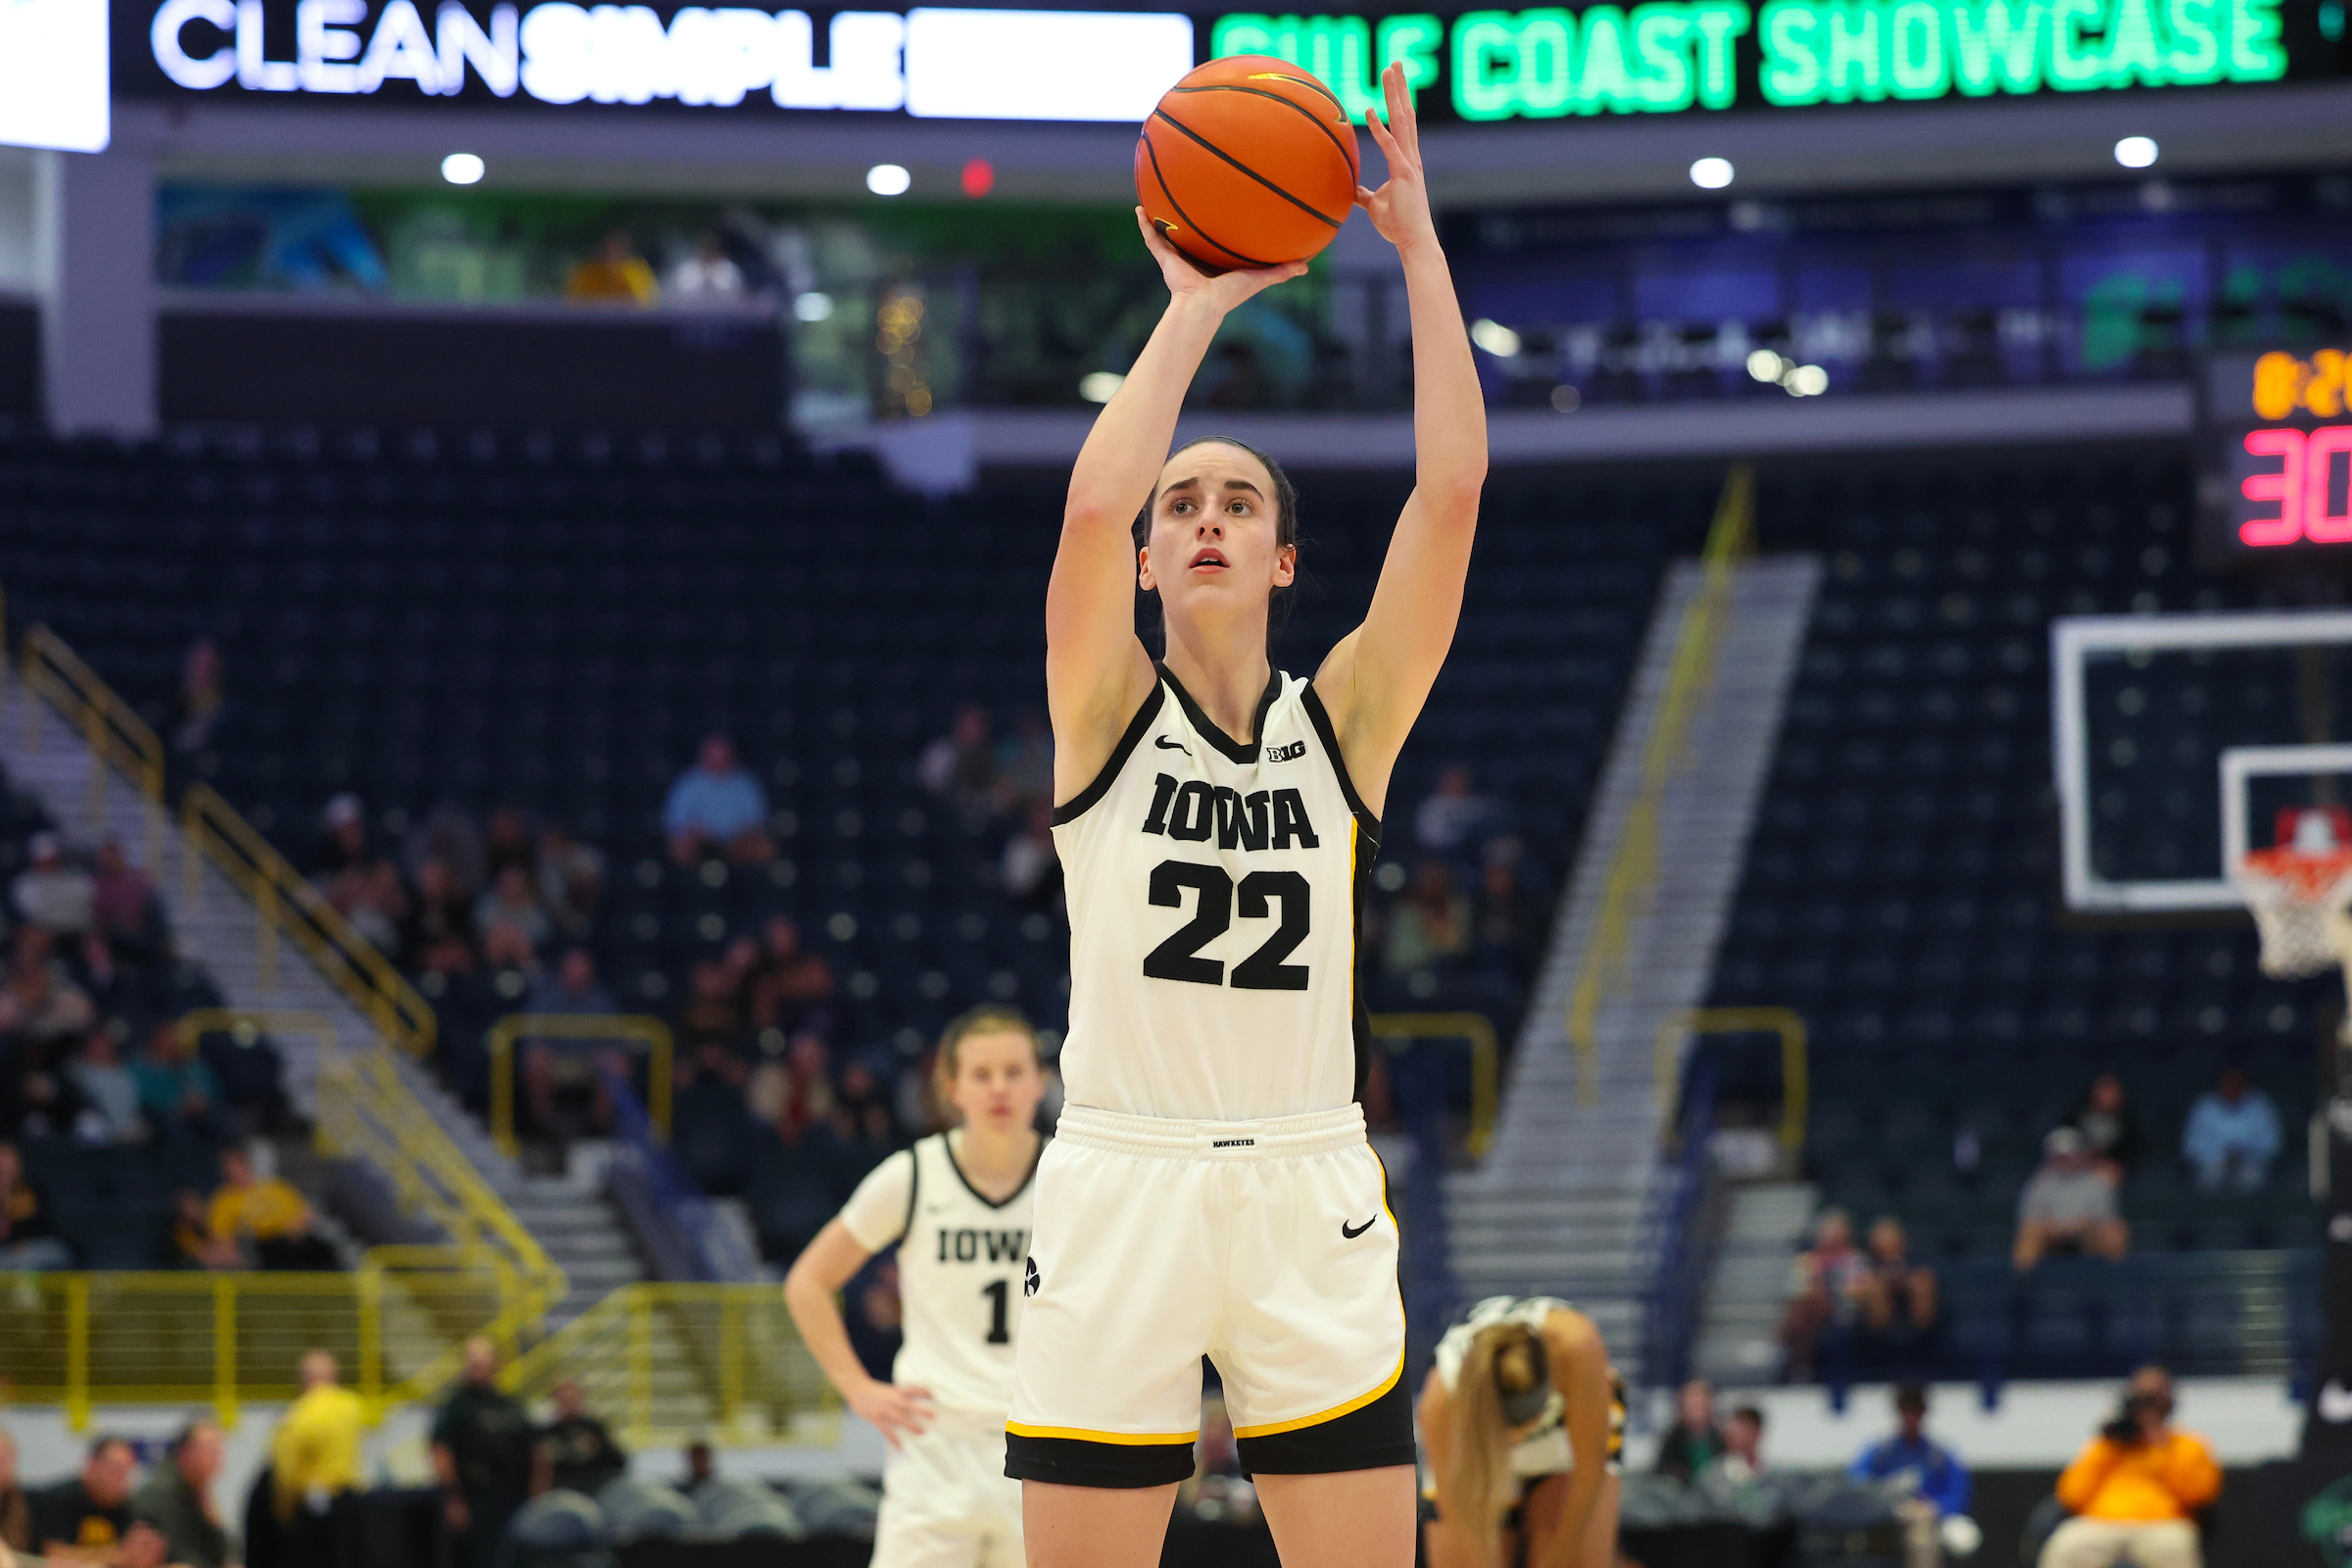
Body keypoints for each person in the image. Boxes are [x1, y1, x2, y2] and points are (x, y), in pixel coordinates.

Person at [1007, 63, 1482, 1568]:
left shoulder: (1342, 726)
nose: (1203, 515)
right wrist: (1196, 303)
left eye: (1241, 504)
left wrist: (1416, 251)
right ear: (1150, 562)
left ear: (1284, 560)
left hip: (1306, 1181)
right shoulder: (1102, 712)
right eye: (1183, 506)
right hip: (1120, 1172)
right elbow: (1087, 510)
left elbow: (1452, 496)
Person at [784, 1006, 1048, 1568]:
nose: (999, 1087)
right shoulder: (914, 1174)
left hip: (1041, 1446)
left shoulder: (1069, 1179)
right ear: (951, 1087)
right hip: (935, 1444)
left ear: (1040, 1081)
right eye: (982, 1074)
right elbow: (807, 1282)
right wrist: (857, 1388)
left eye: (1013, 1070)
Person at [1415, 1297, 1622, 1568]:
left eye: (1525, 1429)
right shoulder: (1441, 1404)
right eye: (1508, 1436)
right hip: (1474, 1450)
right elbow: (1462, 1519)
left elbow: (1588, 1476)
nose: (1518, 1443)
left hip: (1563, 1438)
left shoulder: (1578, 1348)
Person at [2039, 1367, 2220, 1568]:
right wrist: (2110, 1445)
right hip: (2102, 1524)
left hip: (2163, 1525)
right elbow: (2071, 1495)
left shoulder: (2188, 1445)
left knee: (2175, 1548)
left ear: (2168, 1402)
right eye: (2140, 1398)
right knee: (2067, 1545)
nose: (2146, 1407)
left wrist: (2161, 1446)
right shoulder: (2107, 1445)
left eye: (2152, 1399)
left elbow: (2199, 1495)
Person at [432, 1337, 535, 1568]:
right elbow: (440, 1451)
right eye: (473, 1363)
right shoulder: (456, 1406)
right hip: (475, 1498)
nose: (477, 1369)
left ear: (495, 1365)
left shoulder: (510, 1404)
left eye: (483, 1362)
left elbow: (534, 1449)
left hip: (513, 1497)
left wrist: (536, 1493)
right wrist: (453, 1497)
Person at [272, 1350, 366, 1568]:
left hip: (311, 1503)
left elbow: (285, 1468)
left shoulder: (299, 1415)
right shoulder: (352, 1406)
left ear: (303, 1379)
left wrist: (285, 1509)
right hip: (348, 1498)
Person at [2016, 1128, 2131, 1270]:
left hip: (2087, 1234)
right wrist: (2058, 1228)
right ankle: (2022, 1281)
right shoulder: (2039, 1184)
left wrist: (2079, 1225)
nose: (2064, 1160)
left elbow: (2105, 1218)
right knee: (2029, 1233)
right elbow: (2030, 1219)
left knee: (2115, 1231)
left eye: (2068, 1155)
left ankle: (2116, 1279)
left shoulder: (2097, 1182)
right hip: (2051, 1235)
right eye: (2059, 1156)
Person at [1851, 1383, 1969, 1517]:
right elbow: (1857, 1481)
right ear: (1898, 1412)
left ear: (1923, 1412)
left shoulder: (1940, 1455)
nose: (1910, 1416)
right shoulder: (1880, 1452)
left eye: (1916, 1410)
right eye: (1905, 1410)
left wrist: (1936, 1508)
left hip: (1931, 1515)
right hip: (1887, 1515)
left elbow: (1958, 1492)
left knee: (1963, 1535)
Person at [210, 1149, 338, 1270]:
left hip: (291, 1238)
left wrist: (297, 1227)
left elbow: (306, 1211)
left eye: (238, 1164)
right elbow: (223, 1237)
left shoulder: (275, 1188)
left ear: (247, 1165)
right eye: (230, 1168)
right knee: (278, 1250)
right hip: (262, 1243)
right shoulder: (224, 1200)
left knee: (324, 1250)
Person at [132, 1420, 233, 1568]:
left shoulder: (198, 1491)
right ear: (185, 1451)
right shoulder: (161, 1491)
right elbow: (175, 1553)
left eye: (219, 1450)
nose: (218, 1459)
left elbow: (222, 1554)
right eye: (210, 1450)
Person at [1779, 1210, 1867, 1381]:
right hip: (1812, 1311)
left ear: (1846, 1235)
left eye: (1838, 1233)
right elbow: (1794, 1291)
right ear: (1820, 1236)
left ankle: (1792, 1357)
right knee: (1805, 1305)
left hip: (1845, 1310)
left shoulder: (1855, 1258)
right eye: (1829, 1233)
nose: (1833, 1238)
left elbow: (1860, 1290)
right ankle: (1799, 1364)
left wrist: (1832, 1291)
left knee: (1806, 1307)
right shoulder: (1806, 1260)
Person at [663, 735, 773, 865]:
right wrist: (694, 831)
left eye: (723, 756)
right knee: (680, 848)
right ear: (704, 756)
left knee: (765, 848)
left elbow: (759, 819)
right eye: (714, 756)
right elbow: (675, 821)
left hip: (737, 843)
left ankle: (746, 882)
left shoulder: (746, 783)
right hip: (701, 843)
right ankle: (687, 883)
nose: (718, 761)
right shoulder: (688, 783)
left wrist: (741, 833)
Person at [34, 1435, 138, 1564]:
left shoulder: (127, 1507)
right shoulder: (58, 1499)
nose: (122, 1479)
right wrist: (116, 1554)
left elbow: (135, 1557)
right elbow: (56, 1556)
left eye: (127, 1472)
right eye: (115, 1470)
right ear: (92, 1465)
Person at [2180, 1067, 2281, 1193]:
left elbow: (2273, 1144)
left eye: (2237, 1083)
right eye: (2228, 1083)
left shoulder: (2260, 1106)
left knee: (2252, 1178)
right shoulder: (2205, 1106)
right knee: (2210, 1176)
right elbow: (2191, 1146)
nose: (2232, 1087)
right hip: (2213, 1162)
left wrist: (2243, 1153)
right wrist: (2222, 1154)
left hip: (2250, 1163)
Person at [532, 1380, 626, 1498]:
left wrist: (598, 1447)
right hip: (560, 1495)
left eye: (572, 1398)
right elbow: (538, 1472)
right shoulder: (547, 1432)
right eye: (564, 1399)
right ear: (556, 1400)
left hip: (592, 1493)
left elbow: (618, 1462)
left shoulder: (594, 1428)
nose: (569, 1403)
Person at [0, 1142, 72, 1271]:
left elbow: (43, 1224)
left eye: (10, 1159)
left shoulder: (32, 1190)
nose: (6, 1166)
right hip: (5, 1253)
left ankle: (26, 1291)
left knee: (47, 1254)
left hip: (35, 1247)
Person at [2064, 1073, 2143, 1183]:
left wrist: (2109, 1162)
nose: (2106, 1096)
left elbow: (2134, 1154)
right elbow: (2062, 1140)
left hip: (2108, 1173)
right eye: (2102, 1090)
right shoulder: (2076, 1117)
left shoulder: (2129, 1125)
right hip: (2073, 1168)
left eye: (2111, 1091)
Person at [14, 835, 95, 938]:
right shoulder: (24, 884)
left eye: (51, 859)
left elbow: (86, 902)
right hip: (46, 932)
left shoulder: (75, 875)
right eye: (42, 860)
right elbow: (36, 914)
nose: (47, 864)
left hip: (79, 930)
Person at [1653, 1380, 1723, 1484]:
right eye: (1693, 1401)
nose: (1698, 1405)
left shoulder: (1720, 1440)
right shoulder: (1672, 1442)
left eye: (1702, 1400)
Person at [565, 229, 658, 305]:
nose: (609, 254)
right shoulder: (587, 272)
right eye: (605, 249)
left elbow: (643, 303)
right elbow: (572, 302)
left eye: (614, 248)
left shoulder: (634, 271)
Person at [0, 1428, 33, 1553]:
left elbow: (18, 1550)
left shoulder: (18, 1500)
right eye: (1, 1460)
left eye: (10, 1459)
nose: (7, 1467)